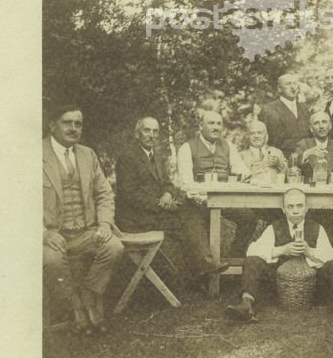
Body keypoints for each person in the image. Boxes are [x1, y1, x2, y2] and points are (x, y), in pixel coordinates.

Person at [224, 188, 333, 328]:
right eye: (290, 207)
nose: (295, 211)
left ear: (306, 208)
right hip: (279, 285)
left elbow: (330, 257)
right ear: (283, 209)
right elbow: (253, 251)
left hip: (313, 285)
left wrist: (310, 252)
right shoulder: (275, 227)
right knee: (252, 260)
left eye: (299, 206)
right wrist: (282, 250)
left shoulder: (316, 228)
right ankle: (246, 305)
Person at [116, 116, 228, 283]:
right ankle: (202, 266)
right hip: (136, 219)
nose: (151, 135)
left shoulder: (156, 155)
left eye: (155, 131)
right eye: (147, 130)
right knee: (189, 220)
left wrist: (168, 194)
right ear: (137, 133)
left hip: (156, 212)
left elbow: (168, 184)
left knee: (192, 213)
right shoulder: (128, 157)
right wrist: (162, 205)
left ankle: (201, 269)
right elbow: (130, 195)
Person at [43, 104, 123, 334]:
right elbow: (20, 203)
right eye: (67, 122)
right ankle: (74, 305)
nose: (73, 128)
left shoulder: (88, 154)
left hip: (86, 231)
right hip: (52, 235)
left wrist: (105, 224)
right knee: (52, 260)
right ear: (52, 125)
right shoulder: (35, 154)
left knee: (114, 247)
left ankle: (88, 295)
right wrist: (44, 233)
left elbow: (104, 193)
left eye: (78, 124)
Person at [176, 110, 258, 254]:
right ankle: (208, 265)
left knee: (249, 218)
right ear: (201, 126)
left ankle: (234, 255)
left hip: (225, 199)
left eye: (219, 124)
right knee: (199, 222)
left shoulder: (228, 146)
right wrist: (202, 199)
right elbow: (186, 184)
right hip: (199, 201)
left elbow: (241, 170)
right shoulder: (187, 148)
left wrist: (245, 176)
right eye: (211, 123)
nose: (216, 127)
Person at [258, 73, 311, 159]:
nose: (293, 87)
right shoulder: (268, 110)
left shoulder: (304, 108)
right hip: (280, 161)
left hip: (305, 159)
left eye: (295, 83)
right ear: (279, 89)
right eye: (288, 84)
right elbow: (261, 139)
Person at [293, 111, 333, 185]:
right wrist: (306, 154)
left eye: (324, 122)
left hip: (330, 192)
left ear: (330, 126)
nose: (321, 126)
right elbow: (291, 164)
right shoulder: (303, 145)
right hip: (309, 191)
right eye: (316, 123)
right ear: (311, 129)